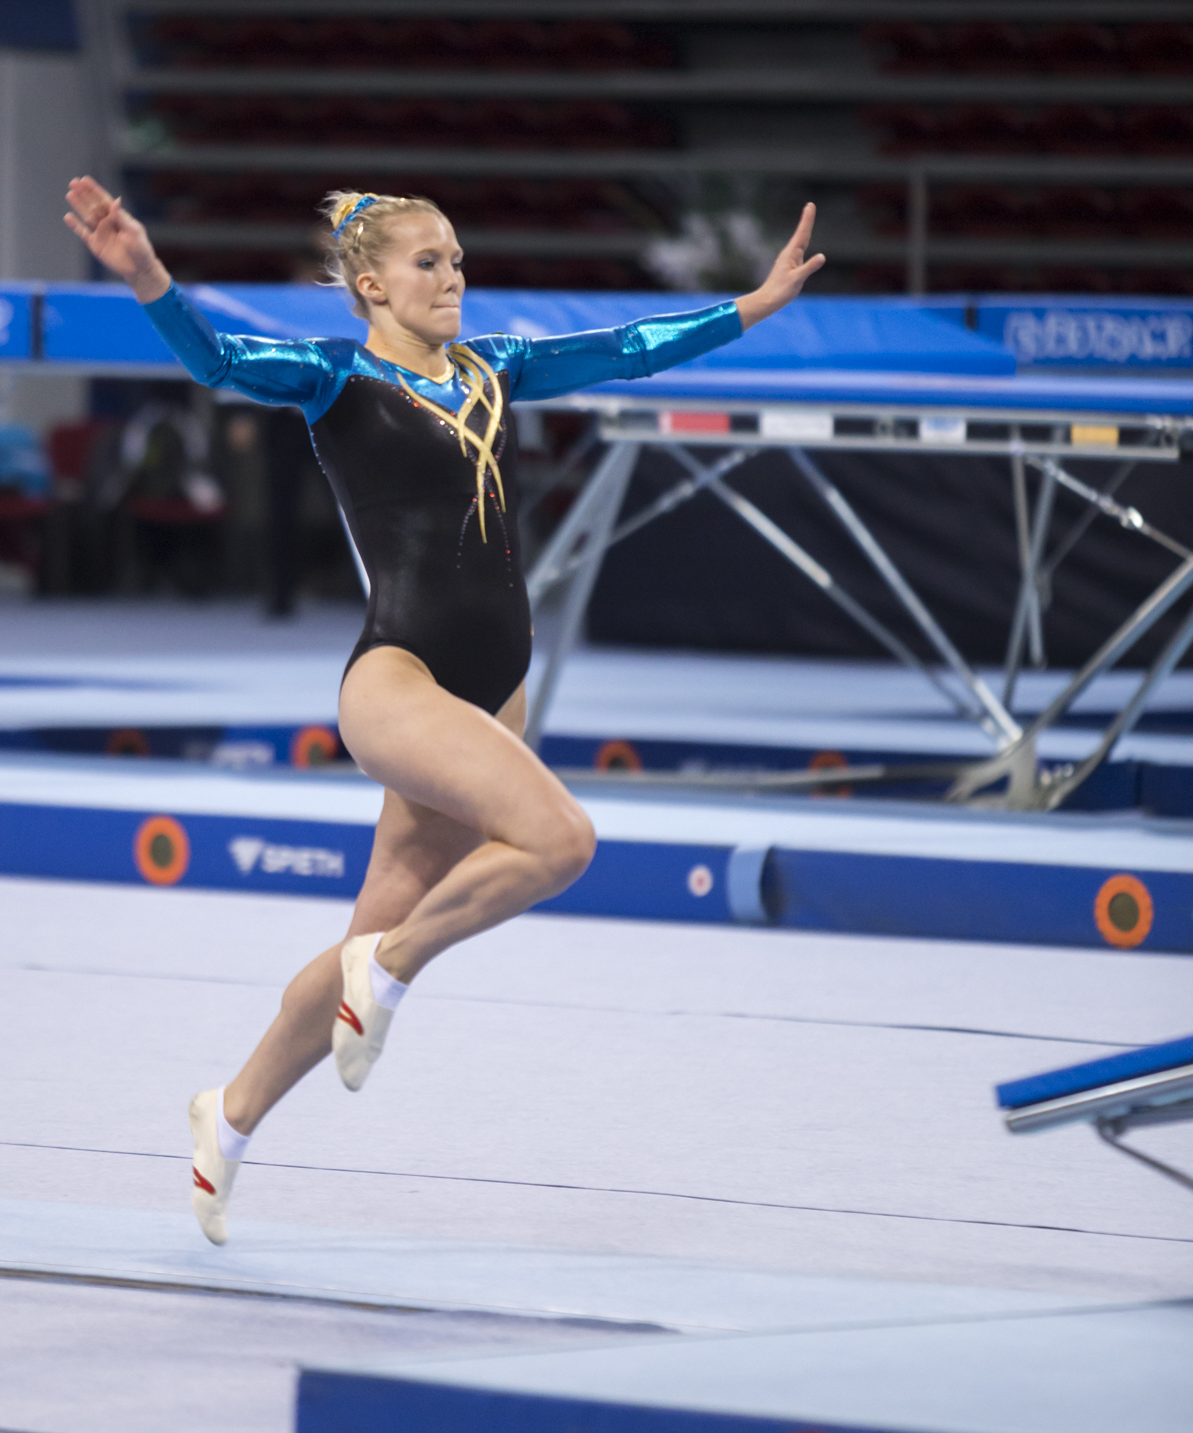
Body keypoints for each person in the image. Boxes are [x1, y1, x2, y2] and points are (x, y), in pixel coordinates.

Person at [63, 175, 826, 1245]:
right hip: (401, 680)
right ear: (370, 285)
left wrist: (746, 309)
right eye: (429, 263)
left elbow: (627, 348)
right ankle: (397, 971)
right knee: (560, 841)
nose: (452, 279)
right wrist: (150, 281)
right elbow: (219, 363)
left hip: (494, 686)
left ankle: (225, 1120)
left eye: (458, 260)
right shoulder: (336, 379)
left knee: (360, 942)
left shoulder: (494, 369)